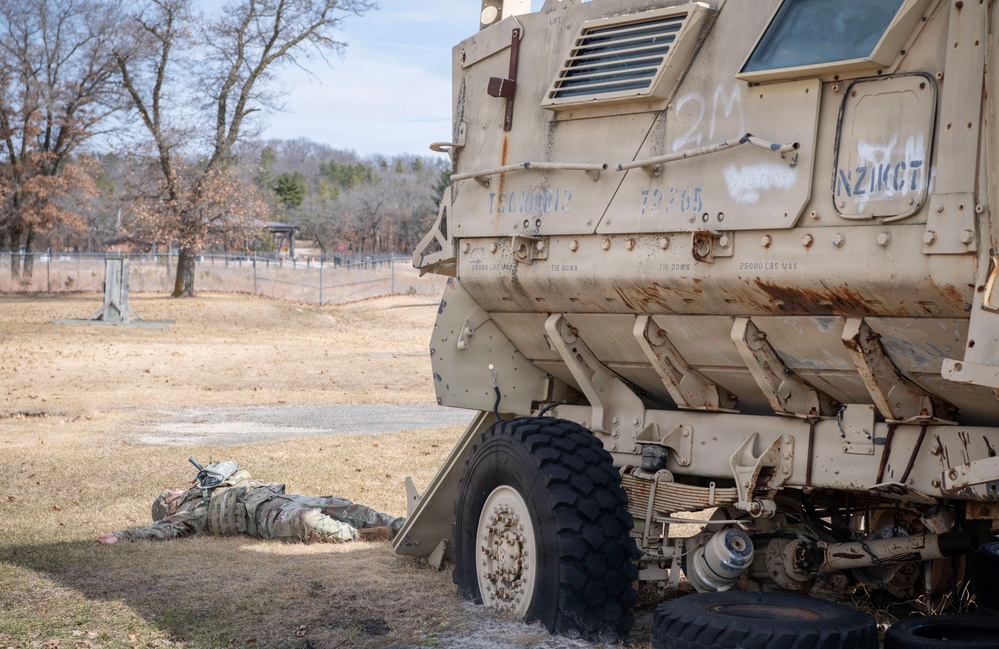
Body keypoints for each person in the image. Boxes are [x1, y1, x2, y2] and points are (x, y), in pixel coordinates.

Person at [96, 459, 405, 545]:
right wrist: (123, 535)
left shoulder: (212, 482)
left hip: (278, 496)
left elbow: (237, 466)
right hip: (261, 516)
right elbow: (159, 532)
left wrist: (214, 474)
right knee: (309, 522)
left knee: (340, 504)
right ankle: (366, 536)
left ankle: (398, 524)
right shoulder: (187, 515)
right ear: (169, 508)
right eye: (169, 497)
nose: (175, 492)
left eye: (172, 491)